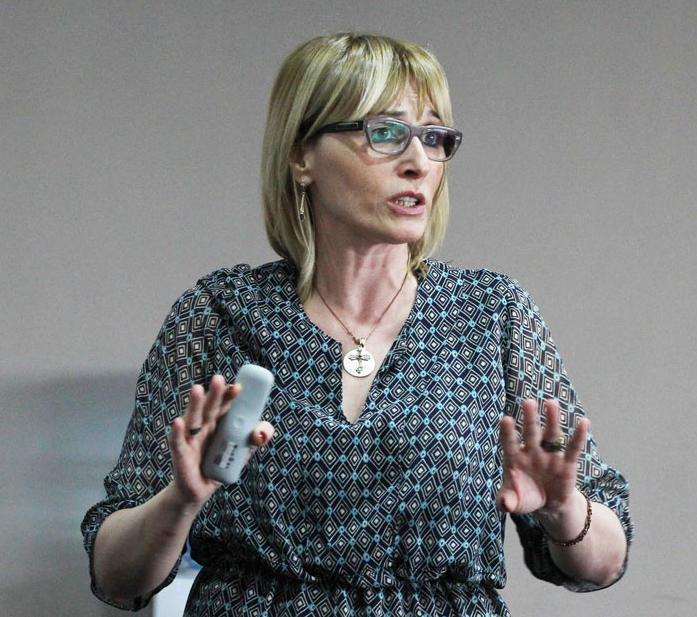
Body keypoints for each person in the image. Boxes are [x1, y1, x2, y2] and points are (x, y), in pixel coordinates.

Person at [82, 32, 633, 616]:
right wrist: (180, 500)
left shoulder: (492, 313)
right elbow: (116, 577)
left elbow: (603, 561)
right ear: (302, 156)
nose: (418, 162)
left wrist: (562, 508)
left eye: (434, 137)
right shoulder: (221, 310)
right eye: (386, 133)